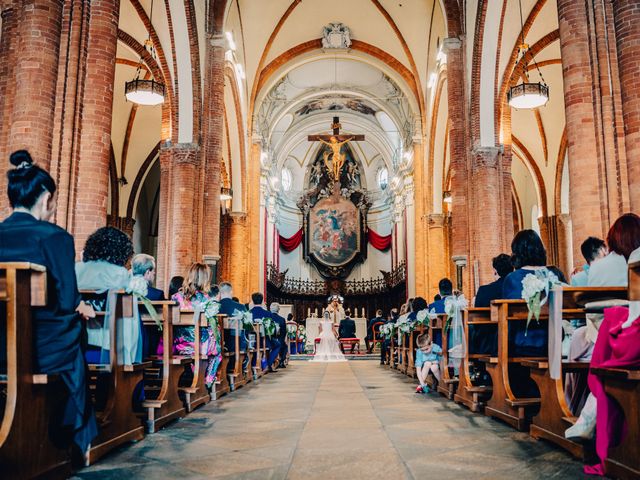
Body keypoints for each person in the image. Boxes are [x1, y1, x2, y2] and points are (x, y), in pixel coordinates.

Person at [0, 150, 97, 456]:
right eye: (53, 202)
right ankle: (72, 436)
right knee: (75, 333)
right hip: (37, 347)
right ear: (45, 199)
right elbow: (68, 300)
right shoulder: (55, 237)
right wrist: (82, 309)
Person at [75, 226, 141, 365]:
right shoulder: (119, 273)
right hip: (108, 340)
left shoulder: (76, 269)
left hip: (79, 339)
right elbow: (128, 318)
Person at [170, 264, 221, 390]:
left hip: (179, 345)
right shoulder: (208, 299)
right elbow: (212, 327)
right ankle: (207, 381)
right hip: (199, 346)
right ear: (205, 279)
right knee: (217, 351)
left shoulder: (176, 297)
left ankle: (195, 374)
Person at [501, 229, 548, 358]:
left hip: (523, 343)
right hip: (553, 341)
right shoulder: (553, 275)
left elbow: (508, 318)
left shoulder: (513, 279)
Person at [218, 282, 249, 372]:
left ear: (220, 293)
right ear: (231, 292)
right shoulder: (241, 307)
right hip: (236, 344)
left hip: (217, 344)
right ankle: (240, 367)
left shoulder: (215, 306)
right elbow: (247, 327)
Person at [250, 292, 281, 371]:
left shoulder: (248, 313)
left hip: (251, 341)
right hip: (265, 341)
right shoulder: (268, 314)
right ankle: (268, 363)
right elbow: (272, 331)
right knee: (277, 345)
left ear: (252, 301)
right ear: (262, 301)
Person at [270, 303, 288, 368]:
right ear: (278, 310)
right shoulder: (282, 319)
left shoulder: (268, 317)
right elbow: (284, 332)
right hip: (279, 340)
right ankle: (281, 361)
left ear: (270, 309)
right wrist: (282, 340)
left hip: (268, 339)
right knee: (285, 346)